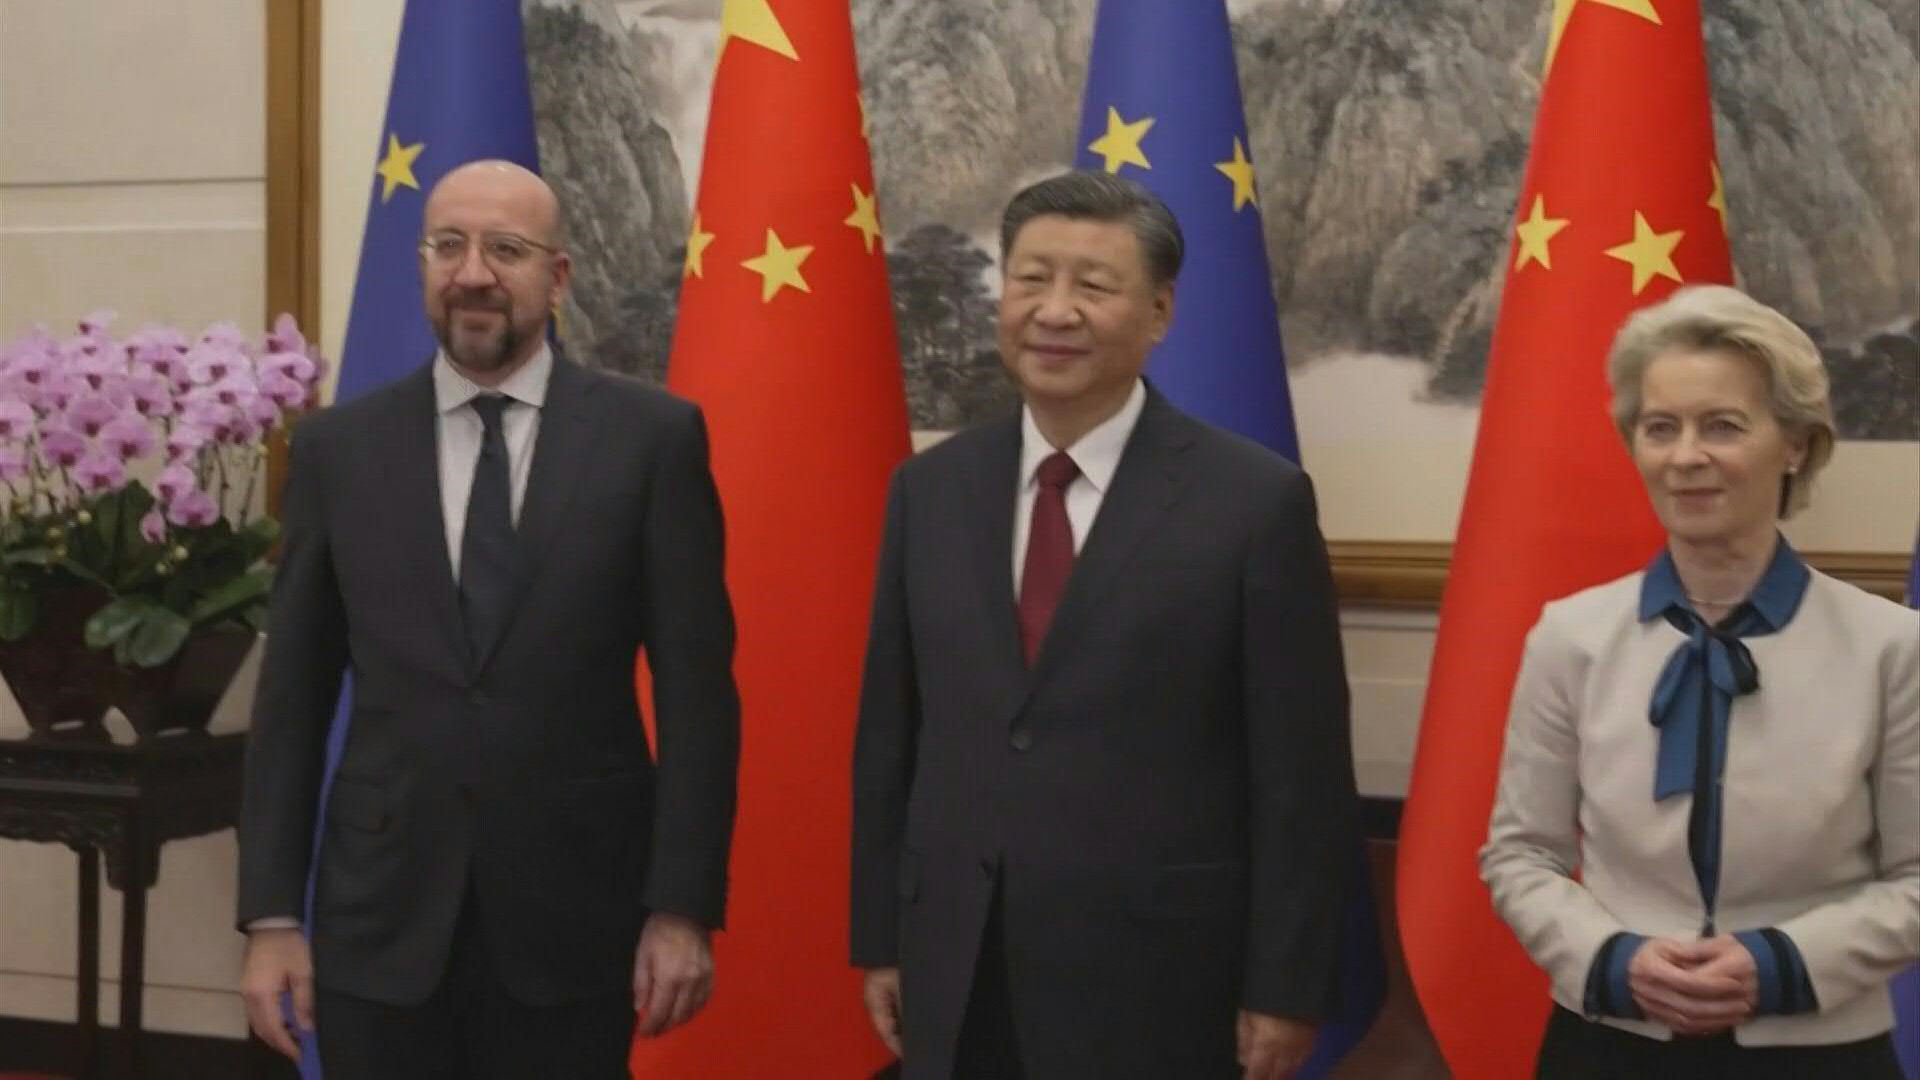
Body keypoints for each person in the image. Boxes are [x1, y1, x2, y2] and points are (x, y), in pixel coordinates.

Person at [849, 170, 1360, 1080]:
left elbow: (1301, 775)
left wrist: (1284, 985)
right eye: (1031, 279)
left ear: (1159, 312)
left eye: (1092, 285)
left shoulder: (1253, 502)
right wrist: (882, 937)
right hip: (957, 960)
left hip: (1158, 978)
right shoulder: (929, 489)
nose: (1055, 311)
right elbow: (893, 734)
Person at [236, 160, 741, 1078]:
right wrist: (271, 916)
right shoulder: (339, 449)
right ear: (424, 264)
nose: (473, 273)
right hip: (379, 922)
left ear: (558, 276)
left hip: (576, 922)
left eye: (505, 249)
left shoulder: (650, 442)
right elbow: (292, 699)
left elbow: (698, 695)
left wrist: (681, 906)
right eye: (449, 246)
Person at [1481, 284, 1919, 1078]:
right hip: (1610, 1044)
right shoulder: (1570, 638)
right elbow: (1521, 855)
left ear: (1795, 445)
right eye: (1661, 428)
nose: (1686, 457)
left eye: (1722, 425)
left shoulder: (1891, 648)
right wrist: (1617, 959)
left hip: (1819, 1051)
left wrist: (1777, 963)